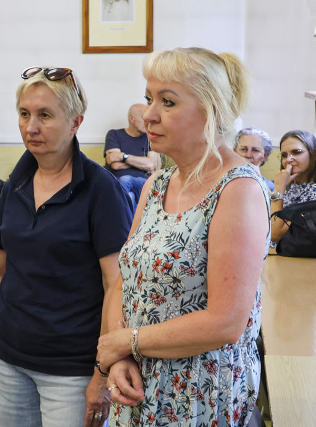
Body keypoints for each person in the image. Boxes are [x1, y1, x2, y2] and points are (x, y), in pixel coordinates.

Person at [96, 47, 269, 427]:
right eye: (149, 98)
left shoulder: (237, 190)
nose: (149, 114)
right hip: (138, 389)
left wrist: (126, 342)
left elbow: (225, 322)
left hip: (197, 398)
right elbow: (126, 278)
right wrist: (121, 356)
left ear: (211, 111)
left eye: (168, 101)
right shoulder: (158, 183)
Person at [0, 66, 132, 427]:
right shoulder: (16, 183)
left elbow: (116, 285)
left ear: (76, 122)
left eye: (45, 115)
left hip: (71, 370)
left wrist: (101, 373)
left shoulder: (101, 190)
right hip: (10, 360)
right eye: (24, 114)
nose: (31, 126)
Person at [270, 129, 316, 245]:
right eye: (284, 155)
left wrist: (278, 189)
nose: (289, 159)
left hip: (289, 256)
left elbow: (274, 234)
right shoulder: (291, 185)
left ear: (315, 154)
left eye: (297, 152)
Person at [104, 103, 160, 207]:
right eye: (144, 118)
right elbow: (115, 164)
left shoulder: (149, 138)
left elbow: (151, 165)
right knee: (129, 196)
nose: (147, 122)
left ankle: (115, 214)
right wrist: (142, 162)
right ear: (132, 118)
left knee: (126, 179)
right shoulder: (114, 134)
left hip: (143, 184)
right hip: (118, 182)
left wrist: (123, 156)